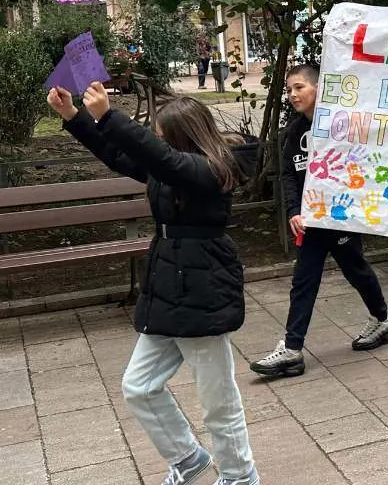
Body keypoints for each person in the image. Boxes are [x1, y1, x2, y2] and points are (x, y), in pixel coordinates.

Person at [46, 84, 258, 485]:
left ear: (181, 137)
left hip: (203, 289)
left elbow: (160, 157)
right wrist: (75, 117)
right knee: (139, 387)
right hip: (166, 286)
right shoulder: (167, 168)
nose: (157, 139)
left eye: (163, 134)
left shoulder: (211, 170)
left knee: (218, 401)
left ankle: (239, 475)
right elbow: (118, 154)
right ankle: (188, 457)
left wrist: (110, 115)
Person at [251, 64, 388, 378]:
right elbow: (289, 174)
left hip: (341, 218)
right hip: (313, 220)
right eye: (289, 89)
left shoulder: (342, 124)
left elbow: (363, 165)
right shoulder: (293, 132)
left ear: (319, 88)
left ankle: (382, 320)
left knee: (356, 269)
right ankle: (292, 349)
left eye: (299, 87)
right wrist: (293, 211)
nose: (292, 95)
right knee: (304, 280)